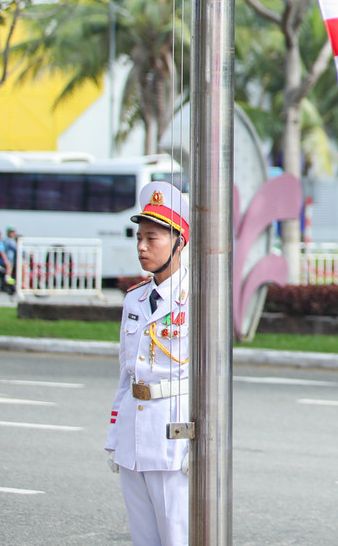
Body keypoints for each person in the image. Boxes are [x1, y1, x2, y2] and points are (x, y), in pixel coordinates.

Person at [105, 181, 192, 546]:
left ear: (177, 242)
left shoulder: (197, 299)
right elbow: (126, 375)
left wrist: (197, 444)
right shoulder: (135, 299)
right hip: (133, 433)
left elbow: (206, 379)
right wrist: (114, 436)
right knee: (143, 537)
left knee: (177, 535)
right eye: (139, 237)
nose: (141, 246)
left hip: (173, 437)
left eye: (152, 238)